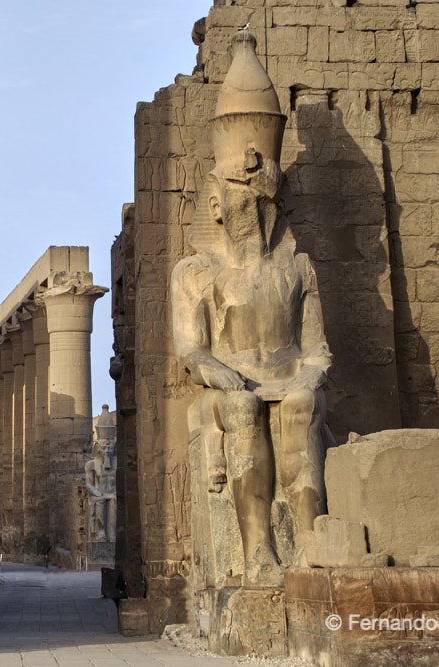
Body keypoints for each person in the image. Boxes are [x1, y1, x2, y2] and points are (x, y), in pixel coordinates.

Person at [170, 29, 330, 586]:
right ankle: (259, 547)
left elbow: (317, 347)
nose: (255, 207)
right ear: (215, 204)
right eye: (242, 195)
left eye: (264, 196)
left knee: (302, 405)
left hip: (285, 376)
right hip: (229, 386)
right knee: (243, 411)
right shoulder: (196, 273)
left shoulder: (296, 268)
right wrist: (222, 372)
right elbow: (190, 348)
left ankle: (314, 544)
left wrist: (307, 373)